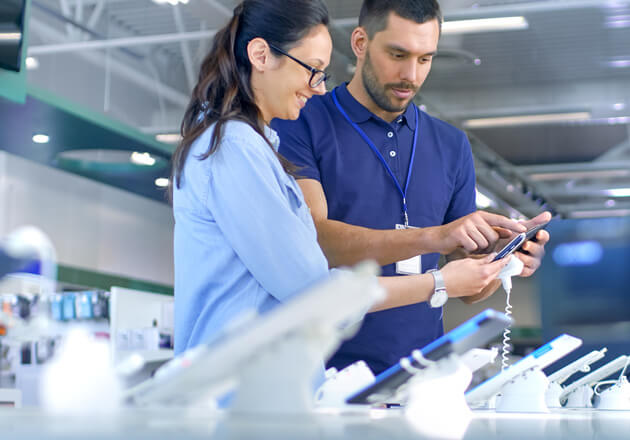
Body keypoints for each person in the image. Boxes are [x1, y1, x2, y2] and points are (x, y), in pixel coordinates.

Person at [170, 0, 514, 357]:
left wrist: (500, 257)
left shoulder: (256, 149)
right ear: (260, 55)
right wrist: (437, 280)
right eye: (312, 69)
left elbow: (307, 276)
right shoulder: (236, 149)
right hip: (244, 387)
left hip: (274, 383)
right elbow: (313, 288)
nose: (318, 87)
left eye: (425, 59)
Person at [272, 0, 551, 374]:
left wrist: (502, 263)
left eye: (425, 59)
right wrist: (432, 237)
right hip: (321, 373)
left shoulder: (451, 145)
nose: (411, 75)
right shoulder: (301, 120)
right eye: (398, 54)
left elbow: (464, 286)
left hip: (419, 377)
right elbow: (315, 239)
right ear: (359, 42)